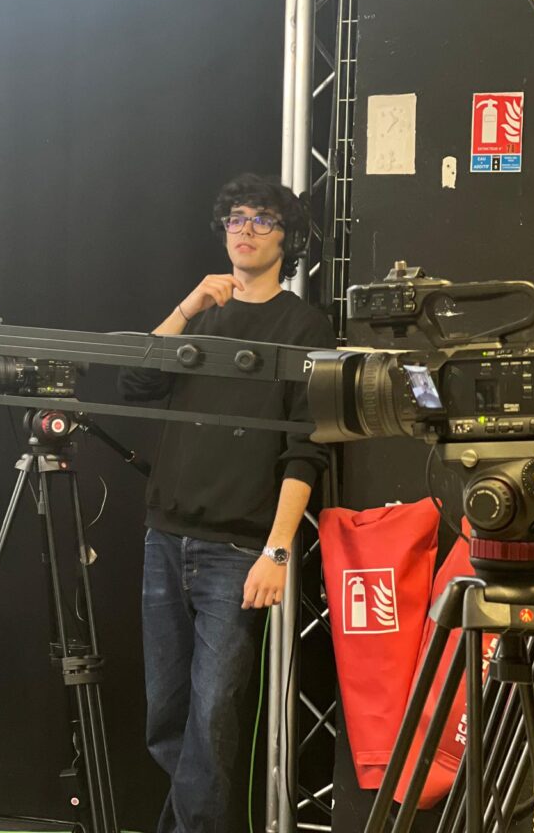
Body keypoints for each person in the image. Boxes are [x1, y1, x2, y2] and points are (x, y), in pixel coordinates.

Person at [118, 173, 336, 833]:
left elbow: (306, 448)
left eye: (262, 219)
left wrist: (278, 550)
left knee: (213, 716)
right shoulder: (201, 312)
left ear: (287, 240)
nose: (246, 229)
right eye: (237, 218)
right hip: (165, 538)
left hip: (237, 551)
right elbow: (135, 380)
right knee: (167, 716)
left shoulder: (303, 324)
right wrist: (186, 308)